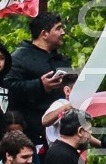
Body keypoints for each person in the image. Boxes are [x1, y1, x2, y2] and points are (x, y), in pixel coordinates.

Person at [7, 11, 69, 147]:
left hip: (61, 134)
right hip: (32, 135)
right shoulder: (19, 57)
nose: (63, 32)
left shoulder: (61, 60)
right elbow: (8, 88)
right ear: (44, 34)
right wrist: (39, 85)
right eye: (58, 28)